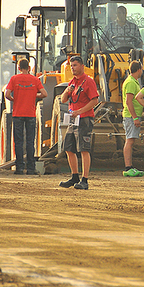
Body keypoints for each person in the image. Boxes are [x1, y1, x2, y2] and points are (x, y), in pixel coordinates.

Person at [59, 56, 99, 190]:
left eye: (75, 65)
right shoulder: (72, 82)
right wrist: (67, 91)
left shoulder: (88, 81)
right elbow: (64, 99)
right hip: (73, 120)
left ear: (82, 66)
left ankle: (85, 179)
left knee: (83, 149)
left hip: (84, 119)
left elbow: (95, 100)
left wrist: (80, 111)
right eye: (71, 66)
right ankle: (74, 176)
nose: (72, 68)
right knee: (69, 148)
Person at [5, 58, 48, 175]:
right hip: (30, 114)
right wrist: (34, 94)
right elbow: (44, 94)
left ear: (19, 68)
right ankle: (31, 168)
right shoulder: (34, 80)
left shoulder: (14, 79)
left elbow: (7, 94)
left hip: (17, 114)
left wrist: (14, 99)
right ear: (29, 68)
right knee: (30, 141)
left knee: (18, 142)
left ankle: (19, 168)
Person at [122, 60, 144, 177]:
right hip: (131, 117)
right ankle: (128, 167)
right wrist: (135, 117)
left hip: (131, 116)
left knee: (130, 140)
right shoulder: (131, 83)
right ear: (139, 70)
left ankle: (130, 167)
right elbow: (128, 101)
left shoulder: (133, 82)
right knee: (129, 141)